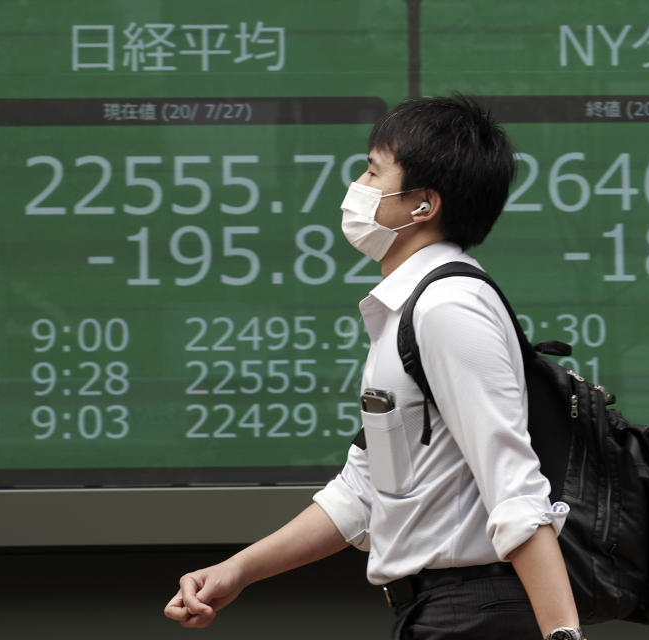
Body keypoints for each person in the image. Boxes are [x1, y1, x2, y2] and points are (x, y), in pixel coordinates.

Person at [164, 95, 585, 640]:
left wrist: (562, 635)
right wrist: (235, 572)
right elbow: (363, 493)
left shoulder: (448, 308)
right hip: (435, 615)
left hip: (474, 615)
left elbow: (517, 492)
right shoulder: (408, 312)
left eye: (372, 170)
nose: (358, 187)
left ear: (422, 205)